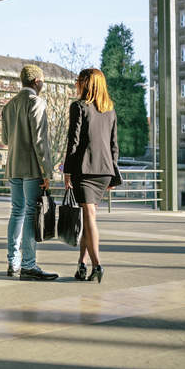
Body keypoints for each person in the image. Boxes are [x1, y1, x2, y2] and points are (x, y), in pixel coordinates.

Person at [1, 65, 58, 281]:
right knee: (31, 213)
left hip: (13, 166)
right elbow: (40, 141)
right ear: (36, 81)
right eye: (43, 81)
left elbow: (6, 140)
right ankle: (29, 264)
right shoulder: (36, 102)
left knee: (17, 212)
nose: (43, 85)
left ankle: (13, 262)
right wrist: (47, 171)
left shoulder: (9, 106)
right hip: (32, 167)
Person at [63, 68, 119, 284]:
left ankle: (97, 265)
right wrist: (112, 174)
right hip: (104, 170)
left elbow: (73, 142)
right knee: (88, 218)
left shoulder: (78, 107)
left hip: (84, 170)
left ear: (86, 84)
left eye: (79, 80)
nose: (77, 83)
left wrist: (67, 171)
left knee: (90, 217)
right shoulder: (110, 110)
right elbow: (114, 146)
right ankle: (81, 265)